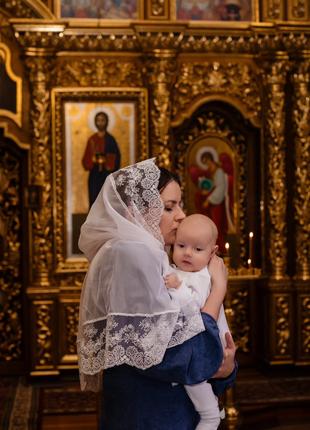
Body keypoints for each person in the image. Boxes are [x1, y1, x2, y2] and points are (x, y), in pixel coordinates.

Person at [77, 158, 237, 429]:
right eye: (169, 207)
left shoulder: (154, 253)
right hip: (151, 415)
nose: (181, 215)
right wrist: (218, 291)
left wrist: (225, 367)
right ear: (135, 211)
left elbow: (193, 346)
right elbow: (174, 356)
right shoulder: (131, 254)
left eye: (180, 204)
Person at [165, 214, 230, 430]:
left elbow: (197, 313)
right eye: (181, 245)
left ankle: (211, 415)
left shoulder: (204, 277)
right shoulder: (177, 271)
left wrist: (177, 287)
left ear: (213, 253)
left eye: (198, 249)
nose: (187, 253)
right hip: (190, 349)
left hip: (204, 349)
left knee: (199, 390)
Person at [82, 111, 121, 208]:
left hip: (106, 175)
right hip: (94, 175)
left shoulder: (111, 140)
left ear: (106, 122)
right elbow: (85, 160)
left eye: (102, 120)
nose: (100, 122)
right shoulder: (92, 139)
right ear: (95, 122)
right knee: (94, 200)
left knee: (106, 201)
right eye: (98, 120)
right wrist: (93, 159)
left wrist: (106, 159)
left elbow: (117, 157)